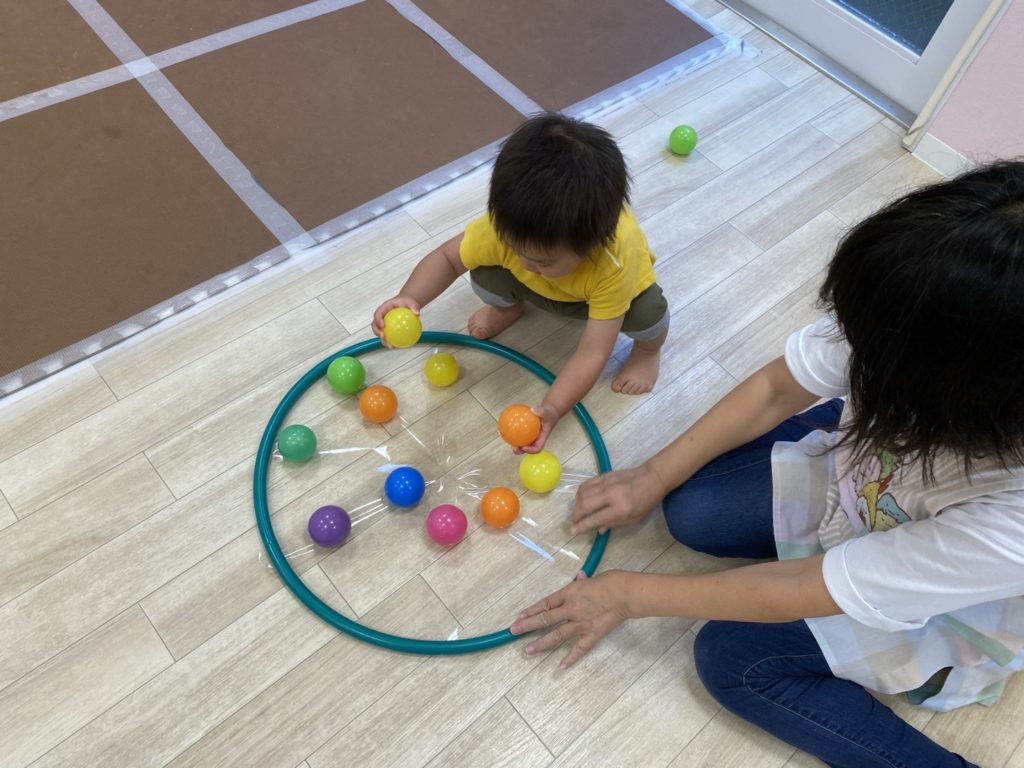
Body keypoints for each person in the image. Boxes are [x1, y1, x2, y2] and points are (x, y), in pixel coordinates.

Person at [510, 159, 1024, 768]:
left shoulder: (1006, 515)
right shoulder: (928, 302)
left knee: (732, 658)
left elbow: (817, 586)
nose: (851, 347)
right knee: (692, 510)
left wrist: (627, 594)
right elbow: (780, 389)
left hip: (945, 598)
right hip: (867, 480)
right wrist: (652, 474)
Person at [372, 113, 669, 453]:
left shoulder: (613, 261)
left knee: (649, 314)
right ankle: (510, 307)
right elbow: (447, 258)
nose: (526, 262)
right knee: (483, 273)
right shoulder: (508, 227)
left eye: (543, 260)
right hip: (540, 288)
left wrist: (553, 408)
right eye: (515, 249)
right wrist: (409, 296)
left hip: (596, 301)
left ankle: (648, 352)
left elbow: (593, 353)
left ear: (593, 244)